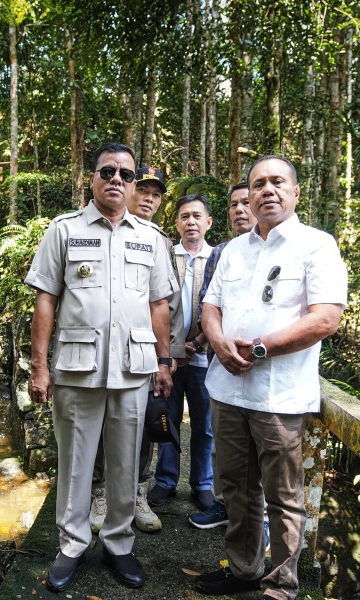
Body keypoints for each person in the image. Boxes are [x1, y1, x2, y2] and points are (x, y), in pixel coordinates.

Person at [25, 143, 177, 592]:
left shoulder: (151, 237)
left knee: (126, 463)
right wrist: (39, 367)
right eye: (107, 171)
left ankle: (118, 544)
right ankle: (72, 544)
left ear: (133, 184)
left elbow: (159, 305)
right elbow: (46, 300)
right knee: (75, 461)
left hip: (133, 368)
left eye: (126, 174)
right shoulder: (64, 230)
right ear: (90, 178)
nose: (116, 179)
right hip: (77, 368)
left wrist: (164, 361)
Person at [196, 156, 348, 599]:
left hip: (279, 396)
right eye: (258, 183)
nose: (267, 190)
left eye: (277, 182)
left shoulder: (316, 245)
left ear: (295, 192)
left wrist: (260, 348)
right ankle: (244, 569)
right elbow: (211, 307)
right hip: (227, 390)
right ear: (249, 194)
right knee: (236, 489)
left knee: (283, 495)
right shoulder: (234, 249)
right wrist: (218, 342)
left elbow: (326, 318)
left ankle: (280, 586)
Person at [89, 165, 184, 535]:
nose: (148, 199)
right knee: (100, 426)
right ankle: (100, 494)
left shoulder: (160, 241)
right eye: (142, 190)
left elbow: (169, 305)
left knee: (147, 425)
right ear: (127, 191)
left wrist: (167, 358)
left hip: (145, 353)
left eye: (156, 195)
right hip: (105, 350)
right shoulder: (98, 232)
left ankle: (138, 495)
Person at [188, 180, 256, 530]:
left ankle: (261, 521)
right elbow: (208, 305)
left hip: (265, 366)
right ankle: (223, 504)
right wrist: (207, 343)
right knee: (222, 440)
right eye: (234, 205)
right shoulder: (222, 252)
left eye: (246, 202)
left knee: (262, 447)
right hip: (221, 364)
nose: (240, 210)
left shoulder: (289, 249)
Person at [147, 194, 216, 512]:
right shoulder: (165, 255)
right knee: (167, 418)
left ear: (208, 222)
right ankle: (165, 480)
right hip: (169, 357)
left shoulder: (217, 258)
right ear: (176, 224)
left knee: (204, 425)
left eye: (197, 216)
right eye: (185, 216)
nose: (191, 222)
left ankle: (203, 484)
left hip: (204, 356)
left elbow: (221, 305)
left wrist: (198, 343)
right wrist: (173, 349)